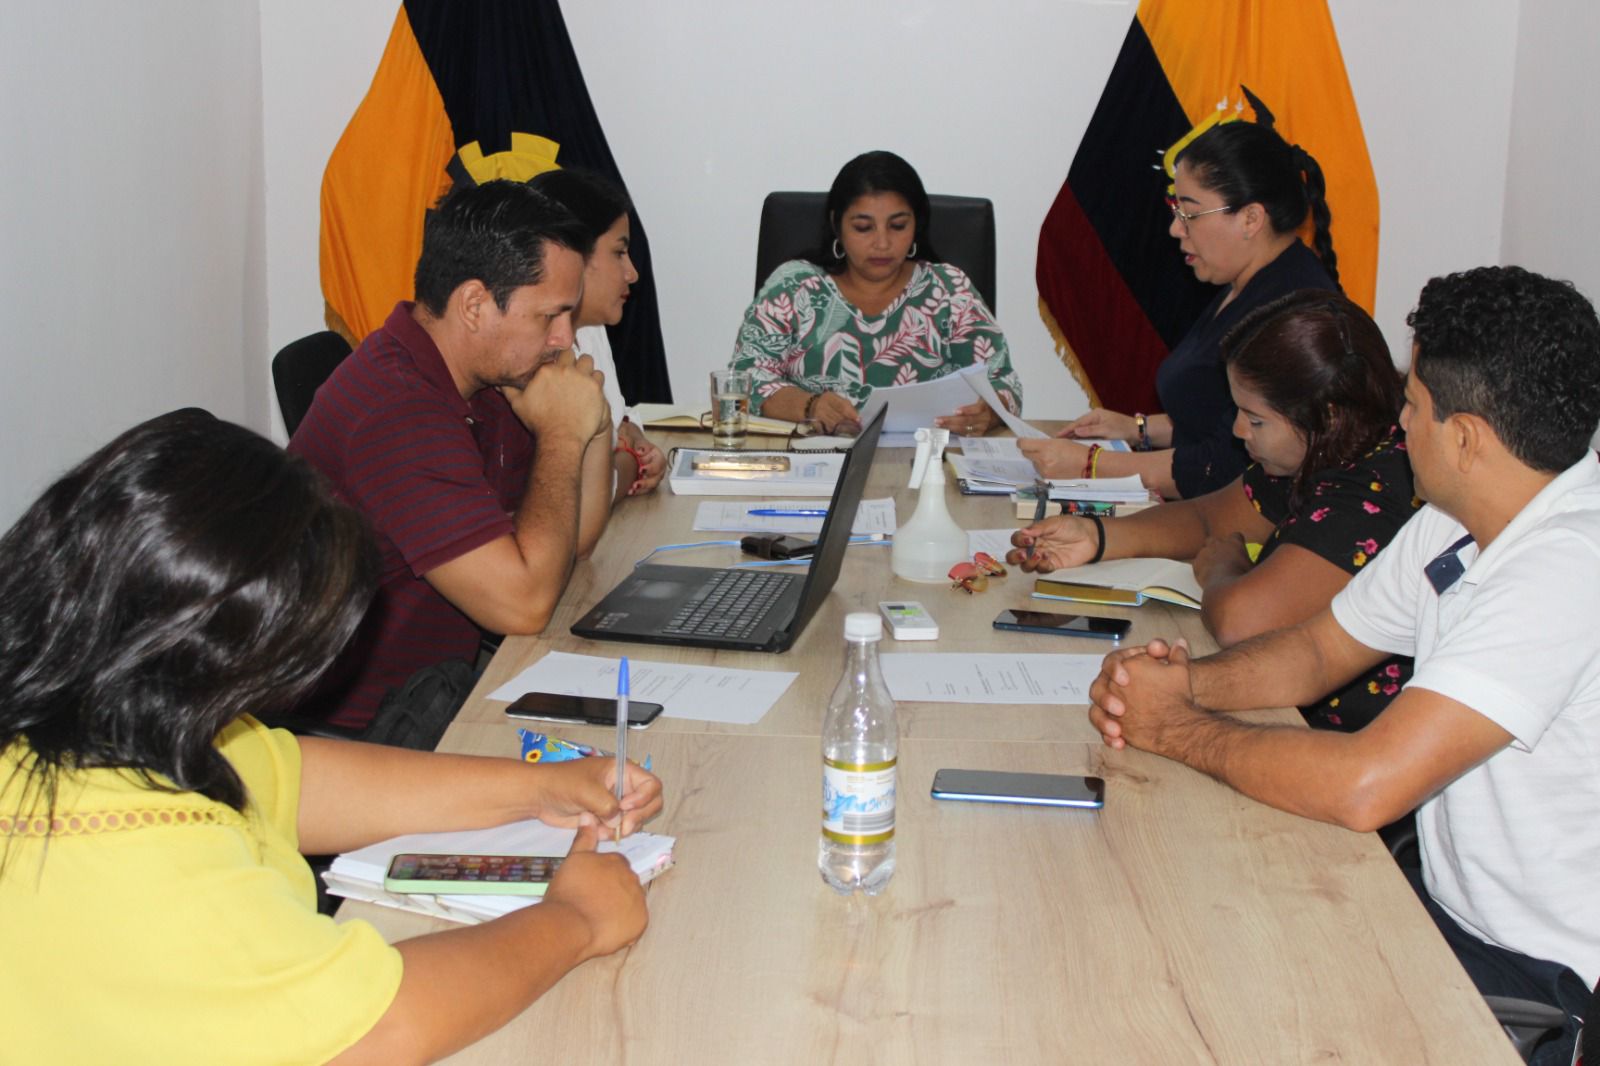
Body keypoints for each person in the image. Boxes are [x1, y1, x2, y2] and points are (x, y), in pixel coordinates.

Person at [0, 410, 664, 1065]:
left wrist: (539, 788)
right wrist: (575, 920)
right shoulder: (148, 868)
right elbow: (372, 1033)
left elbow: (300, 783)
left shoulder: (103, 710)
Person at [1087, 266, 1600, 1065]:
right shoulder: (1461, 518)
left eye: (1413, 406)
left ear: (1466, 439)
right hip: (1446, 911)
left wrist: (1178, 729)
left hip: (1538, 984)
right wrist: (1180, 683)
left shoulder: (1567, 567)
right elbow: (1320, 649)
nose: (1400, 422)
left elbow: (1367, 785)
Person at [1010, 291, 1418, 732]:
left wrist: (1225, 570)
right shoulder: (1319, 448)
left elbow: (1243, 622)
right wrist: (1096, 536)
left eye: (1255, 419)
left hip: (1337, 737)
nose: (1239, 430)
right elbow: (1208, 518)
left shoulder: (1375, 490)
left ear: (1328, 417)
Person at [291, 180, 614, 731]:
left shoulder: (487, 378)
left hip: (438, 694)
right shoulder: (396, 411)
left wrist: (592, 419)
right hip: (362, 733)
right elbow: (524, 605)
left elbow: (573, 542)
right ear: (474, 305)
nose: (565, 338)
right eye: (550, 316)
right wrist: (564, 434)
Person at [1020, 121, 1337, 499]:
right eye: (1176, 210)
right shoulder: (1244, 281)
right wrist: (1137, 429)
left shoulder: (1291, 312)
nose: (1175, 229)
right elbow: (1212, 417)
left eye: (1190, 214)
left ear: (1251, 218)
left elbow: (1222, 467)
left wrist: (1091, 465)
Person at [729, 150, 1022, 434]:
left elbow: (1003, 382)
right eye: (863, 227)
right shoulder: (793, 287)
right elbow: (746, 379)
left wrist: (989, 413)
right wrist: (810, 406)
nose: (882, 243)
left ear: (917, 225)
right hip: (815, 457)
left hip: (925, 459)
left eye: (898, 226)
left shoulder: (949, 290)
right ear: (836, 225)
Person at [528, 167, 668, 500]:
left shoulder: (591, 329)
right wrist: (631, 462)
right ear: (572, 255)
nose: (632, 274)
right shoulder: (530, 350)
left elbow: (619, 419)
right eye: (619, 253)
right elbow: (583, 493)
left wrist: (636, 439)